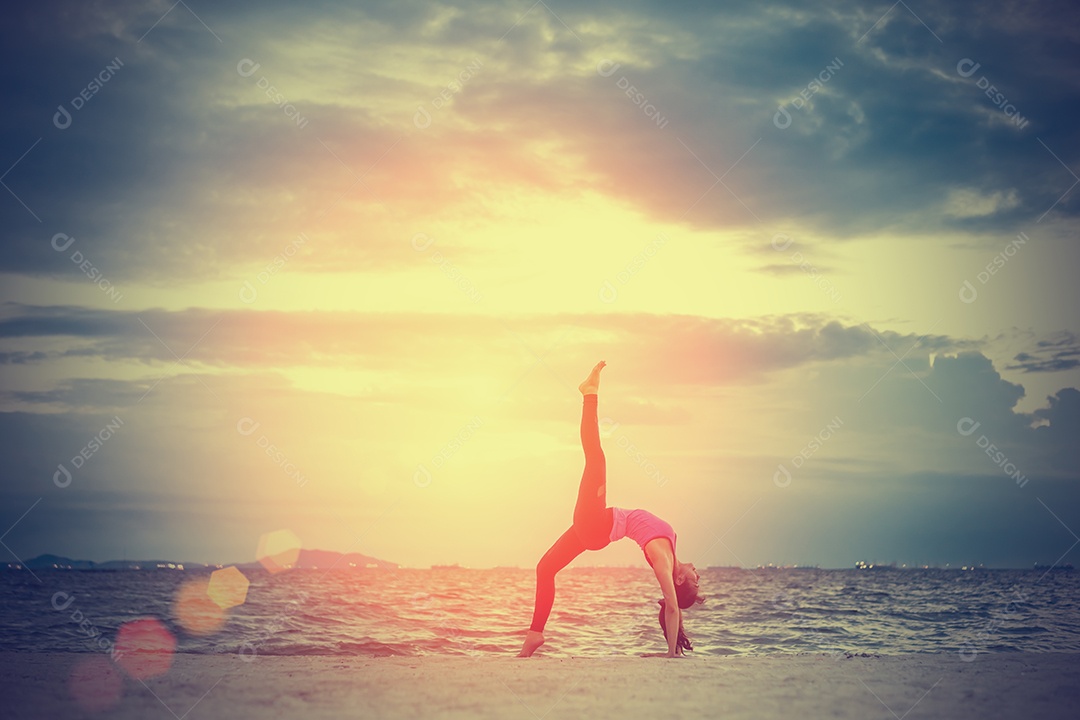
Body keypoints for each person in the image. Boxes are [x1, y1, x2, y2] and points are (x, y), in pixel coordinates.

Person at [517, 361, 703, 658]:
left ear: (680, 580)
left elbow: (670, 603)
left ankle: (589, 394)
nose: (698, 574)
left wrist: (671, 653)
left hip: (597, 523)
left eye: (695, 580)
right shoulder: (671, 549)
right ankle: (535, 635)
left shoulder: (663, 562)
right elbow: (672, 602)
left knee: (596, 460)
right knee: (545, 568)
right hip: (594, 530)